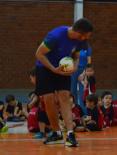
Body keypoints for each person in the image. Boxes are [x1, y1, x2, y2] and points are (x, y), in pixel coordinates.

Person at [35, 18, 94, 146]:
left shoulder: (79, 41)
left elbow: (76, 57)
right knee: (49, 100)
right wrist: (53, 69)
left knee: (65, 99)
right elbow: (39, 54)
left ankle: (71, 135)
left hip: (63, 70)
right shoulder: (55, 36)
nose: (86, 39)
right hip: (46, 68)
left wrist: (75, 67)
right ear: (79, 33)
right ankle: (56, 133)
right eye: (86, 36)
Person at [28, 68, 52, 139]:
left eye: (31, 78)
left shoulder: (46, 85)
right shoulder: (38, 87)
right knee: (40, 119)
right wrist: (32, 103)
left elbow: (55, 95)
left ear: (35, 77)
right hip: (43, 107)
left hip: (50, 107)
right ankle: (42, 133)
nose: (31, 81)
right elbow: (36, 96)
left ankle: (53, 130)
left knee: (50, 120)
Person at [71, 39, 91, 114]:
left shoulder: (87, 47)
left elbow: (89, 61)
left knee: (83, 92)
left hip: (83, 70)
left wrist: (84, 73)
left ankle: (84, 112)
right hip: (73, 70)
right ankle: (74, 111)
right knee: (72, 90)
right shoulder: (73, 47)